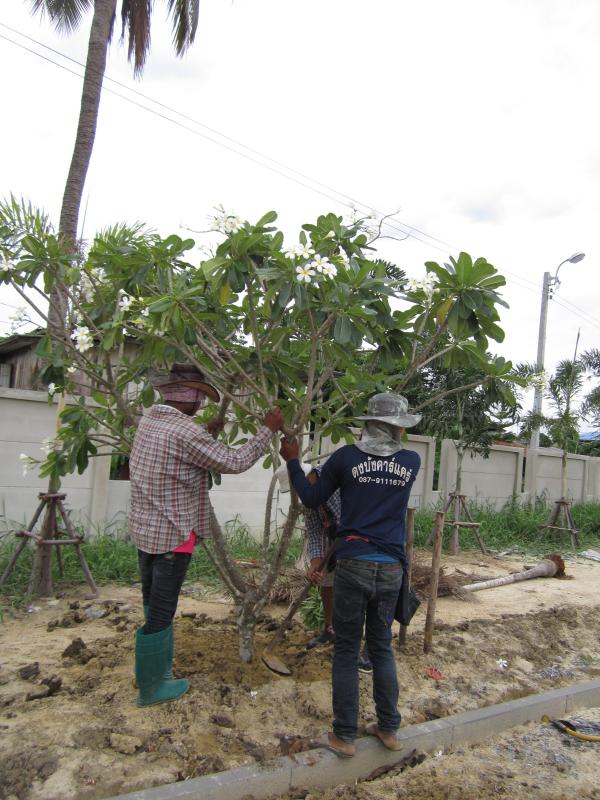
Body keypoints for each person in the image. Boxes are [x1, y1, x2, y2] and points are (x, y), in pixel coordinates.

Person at [129, 363, 284, 706]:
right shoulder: (187, 432)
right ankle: (153, 687)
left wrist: (206, 433)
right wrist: (267, 431)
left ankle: (153, 673)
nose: (201, 404)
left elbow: (178, 456)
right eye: (199, 398)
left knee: (152, 602)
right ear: (188, 397)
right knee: (161, 611)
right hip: (174, 533)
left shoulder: (150, 420)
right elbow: (234, 462)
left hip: (145, 529)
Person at [279, 392, 421, 757]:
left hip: (354, 562)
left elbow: (313, 500)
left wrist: (293, 463)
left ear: (368, 423)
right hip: (391, 566)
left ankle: (344, 736)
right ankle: (388, 729)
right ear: (397, 428)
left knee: (345, 649)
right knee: (381, 646)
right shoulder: (411, 462)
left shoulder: (346, 457)